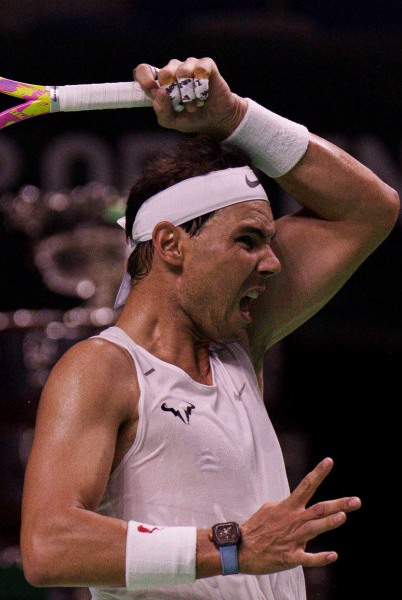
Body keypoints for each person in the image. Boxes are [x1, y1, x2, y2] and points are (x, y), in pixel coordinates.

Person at [20, 57, 399, 599]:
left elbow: (370, 208)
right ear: (172, 244)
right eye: (247, 241)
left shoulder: (237, 345)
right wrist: (233, 547)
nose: (271, 263)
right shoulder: (102, 370)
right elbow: (49, 545)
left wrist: (234, 117)